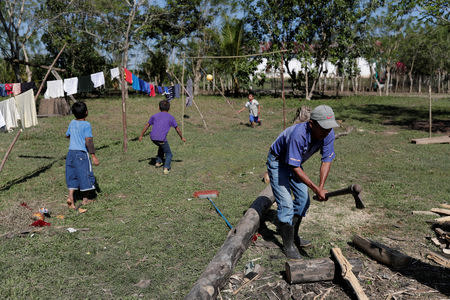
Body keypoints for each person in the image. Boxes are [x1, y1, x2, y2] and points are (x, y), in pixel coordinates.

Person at [266, 105, 339, 259]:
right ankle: (288, 245)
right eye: (323, 128)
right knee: (286, 204)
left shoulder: (328, 133)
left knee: (304, 200)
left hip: (295, 164)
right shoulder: (298, 134)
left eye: (329, 128)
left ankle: (294, 236)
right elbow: (294, 167)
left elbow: (326, 161)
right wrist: (315, 189)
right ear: (311, 124)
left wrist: (320, 187)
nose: (327, 132)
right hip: (278, 162)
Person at [65, 102, 100, 213]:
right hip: (81, 154)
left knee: (72, 174)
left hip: (70, 153)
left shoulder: (72, 122)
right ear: (86, 112)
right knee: (84, 174)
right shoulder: (86, 125)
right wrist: (93, 156)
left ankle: (71, 197)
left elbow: (67, 135)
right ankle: (85, 199)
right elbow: (88, 141)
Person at [139, 100, 186, 174]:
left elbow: (147, 125)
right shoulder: (171, 117)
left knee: (161, 146)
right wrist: (182, 137)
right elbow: (177, 129)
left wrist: (141, 135)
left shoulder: (154, 116)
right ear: (169, 108)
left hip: (153, 138)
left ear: (159, 108)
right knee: (169, 154)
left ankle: (158, 162)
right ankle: (166, 168)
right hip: (161, 139)